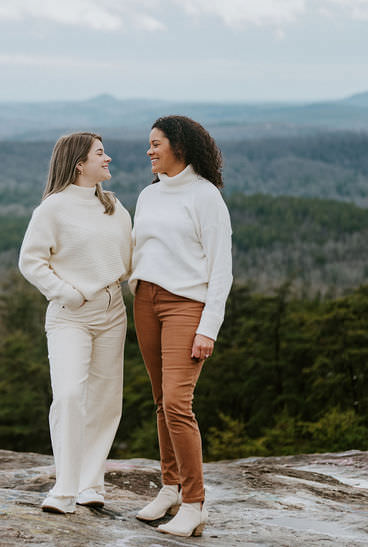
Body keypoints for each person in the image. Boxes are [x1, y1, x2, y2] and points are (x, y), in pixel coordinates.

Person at [129, 115, 233, 537]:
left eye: (156, 144)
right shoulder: (149, 195)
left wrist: (208, 327)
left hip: (186, 306)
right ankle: (169, 487)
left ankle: (195, 502)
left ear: (180, 147)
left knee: (177, 403)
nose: (149, 151)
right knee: (160, 400)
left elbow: (221, 269)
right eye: (149, 144)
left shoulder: (205, 197)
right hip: (145, 301)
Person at [18, 131, 132, 514]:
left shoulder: (114, 207)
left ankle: (91, 484)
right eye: (100, 153)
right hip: (71, 315)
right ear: (79, 163)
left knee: (104, 400)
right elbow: (31, 261)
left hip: (113, 310)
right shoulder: (52, 208)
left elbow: (132, 260)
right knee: (68, 395)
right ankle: (63, 490)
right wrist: (68, 293)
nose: (108, 158)